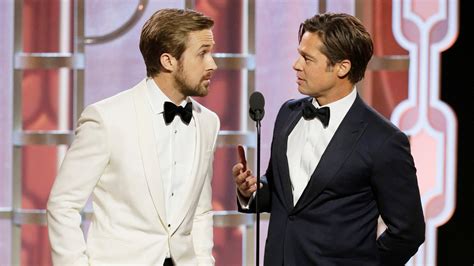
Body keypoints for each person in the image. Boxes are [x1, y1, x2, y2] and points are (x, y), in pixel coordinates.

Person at [233, 12, 425, 265]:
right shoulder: (288, 114)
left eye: (307, 58)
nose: (296, 65)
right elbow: (285, 195)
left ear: (342, 67)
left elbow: (408, 232)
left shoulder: (384, 140)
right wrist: (251, 192)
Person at [47, 8, 219, 265]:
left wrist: (204, 260)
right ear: (168, 61)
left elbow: (201, 210)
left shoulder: (208, 122)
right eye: (202, 53)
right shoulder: (106, 119)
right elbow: (63, 205)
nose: (212, 64)